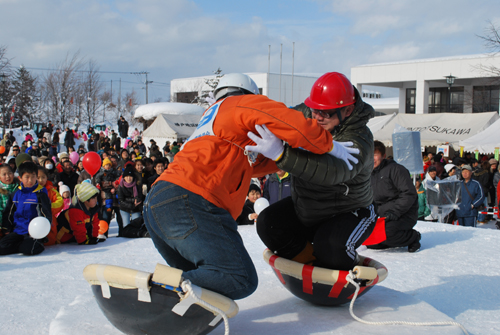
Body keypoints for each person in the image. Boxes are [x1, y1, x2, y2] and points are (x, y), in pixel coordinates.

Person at [143, 73, 350, 300]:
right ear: (250, 96)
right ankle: (155, 290)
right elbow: (289, 120)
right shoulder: (239, 103)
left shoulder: (212, 121)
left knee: (202, 286)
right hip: (191, 199)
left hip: (160, 202)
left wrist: (284, 155)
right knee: (238, 277)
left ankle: (169, 312)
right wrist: (328, 145)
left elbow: (250, 165)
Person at [255, 72, 375, 271]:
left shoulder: (359, 139)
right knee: (268, 223)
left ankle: (344, 265)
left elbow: (331, 171)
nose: (317, 117)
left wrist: (281, 154)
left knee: (331, 247)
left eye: (326, 113)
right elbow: (279, 116)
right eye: (314, 110)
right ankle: (309, 261)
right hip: (309, 208)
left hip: (347, 210)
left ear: (347, 110)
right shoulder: (311, 113)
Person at [369, 141, 420, 252]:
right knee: (369, 239)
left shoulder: (396, 169)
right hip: (385, 215)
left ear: (383, 156)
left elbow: (409, 193)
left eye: (375, 155)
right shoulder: (369, 173)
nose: (372, 158)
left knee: (388, 233)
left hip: (404, 213)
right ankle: (387, 241)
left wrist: (395, 211)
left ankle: (413, 237)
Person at [0, 162, 52, 255]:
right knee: (1, 247)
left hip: (33, 233)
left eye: (33, 176)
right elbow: (8, 213)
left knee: (28, 249)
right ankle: (19, 245)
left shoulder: (40, 194)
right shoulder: (15, 194)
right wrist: (6, 229)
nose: (30, 180)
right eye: (27, 177)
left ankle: (35, 244)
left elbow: (46, 214)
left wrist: (42, 232)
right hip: (18, 231)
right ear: (20, 178)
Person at [37, 167, 64, 246]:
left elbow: (60, 202)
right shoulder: (31, 190)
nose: (41, 180)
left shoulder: (52, 190)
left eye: (43, 177)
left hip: (50, 219)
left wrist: (47, 207)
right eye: (38, 178)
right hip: (34, 219)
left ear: (47, 177)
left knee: (50, 241)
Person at [0, 164, 19, 238]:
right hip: (5, 223)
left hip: (18, 221)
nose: (7, 176)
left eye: (9, 173)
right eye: (4, 174)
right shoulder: (1, 191)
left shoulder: (19, 187)